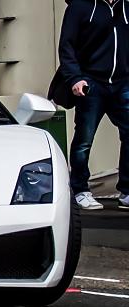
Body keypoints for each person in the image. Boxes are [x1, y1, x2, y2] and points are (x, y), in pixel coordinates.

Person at [59, 0, 129, 210]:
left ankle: (126, 190)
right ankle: (80, 190)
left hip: (123, 83)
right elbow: (67, 45)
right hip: (91, 83)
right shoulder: (80, 7)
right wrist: (75, 78)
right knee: (84, 140)